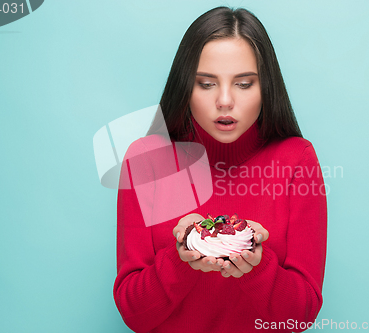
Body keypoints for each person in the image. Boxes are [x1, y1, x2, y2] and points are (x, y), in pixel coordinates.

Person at [113, 6, 327, 333]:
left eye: (243, 84)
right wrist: (181, 258)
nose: (225, 101)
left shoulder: (298, 160)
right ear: (185, 86)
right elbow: (134, 314)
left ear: (266, 87)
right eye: (207, 84)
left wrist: (257, 266)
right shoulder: (145, 160)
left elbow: (301, 316)